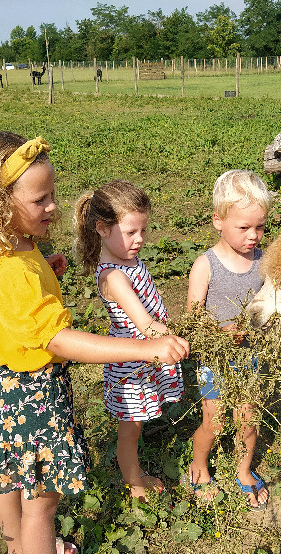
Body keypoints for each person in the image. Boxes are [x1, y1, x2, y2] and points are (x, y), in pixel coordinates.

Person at [0, 131, 189, 554]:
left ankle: (17, 553)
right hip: (35, 395)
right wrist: (144, 349)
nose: (53, 206)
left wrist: (45, 271)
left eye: (52, 194)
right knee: (42, 501)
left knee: (10, 478)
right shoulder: (13, 269)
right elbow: (57, 340)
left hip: (4, 387)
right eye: (41, 199)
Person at [73, 180, 184, 502]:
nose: (139, 240)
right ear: (102, 229)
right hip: (132, 365)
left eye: (143, 231)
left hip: (146, 358)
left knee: (137, 424)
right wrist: (180, 337)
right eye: (131, 232)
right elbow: (145, 325)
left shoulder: (129, 262)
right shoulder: (114, 276)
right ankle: (134, 483)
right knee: (129, 431)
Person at [184, 169, 273, 510]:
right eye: (244, 227)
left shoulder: (263, 261)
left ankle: (244, 470)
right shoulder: (206, 265)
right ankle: (200, 466)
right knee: (216, 419)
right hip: (216, 360)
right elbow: (193, 319)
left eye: (260, 227)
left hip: (250, 357)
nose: (254, 236)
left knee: (248, 416)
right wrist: (222, 333)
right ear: (218, 221)